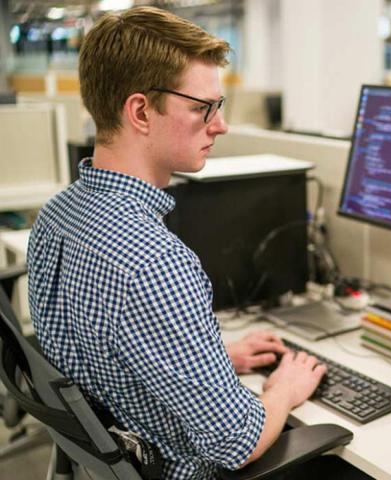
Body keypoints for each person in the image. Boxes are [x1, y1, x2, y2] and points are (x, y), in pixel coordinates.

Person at [27, 7, 328, 479]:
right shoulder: (155, 263)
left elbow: (101, 364)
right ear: (141, 111)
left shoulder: (57, 215)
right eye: (202, 108)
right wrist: (284, 390)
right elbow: (238, 443)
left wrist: (213, 360)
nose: (220, 125)